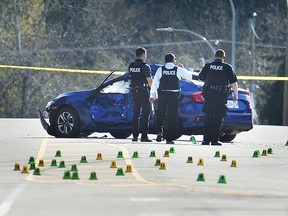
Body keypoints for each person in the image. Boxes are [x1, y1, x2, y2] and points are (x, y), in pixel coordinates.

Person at [149, 53, 197, 144]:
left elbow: (155, 83)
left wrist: (152, 95)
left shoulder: (161, 69)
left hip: (162, 94)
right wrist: (182, 68)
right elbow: (189, 77)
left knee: (161, 114)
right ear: (173, 60)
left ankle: (159, 133)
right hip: (173, 96)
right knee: (172, 116)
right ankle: (169, 139)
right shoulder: (177, 69)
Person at [199, 49, 238, 146]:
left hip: (209, 95)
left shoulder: (208, 66)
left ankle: (206, 140)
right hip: (221, 96)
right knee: (218, 118)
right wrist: (235, 94)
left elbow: (201, 77)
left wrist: (209, 80)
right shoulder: (227, 67)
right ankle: (214, 140)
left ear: (215, 56)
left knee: (208, 117)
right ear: (223, 57)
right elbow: (233, 82)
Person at [128, 47, 153, 142]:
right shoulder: (145, 66)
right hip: (143, 91)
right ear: (143, 55)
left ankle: (134, 136)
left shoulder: (131, 65)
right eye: (145, 55)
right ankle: (144, 136)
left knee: (136, 113)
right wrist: (153, 92)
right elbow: (149, 81)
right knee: (146, 113)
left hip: (134, 91)